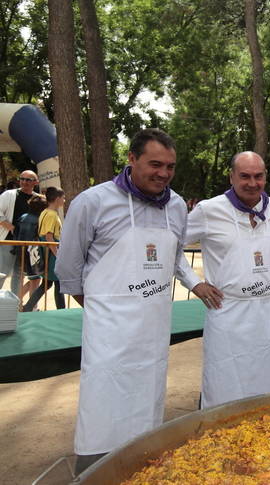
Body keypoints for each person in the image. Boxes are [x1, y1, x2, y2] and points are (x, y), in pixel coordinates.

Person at [55, 128, 219, 472]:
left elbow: (173, 261)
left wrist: (194, 284)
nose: (163, 173)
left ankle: (144, 467)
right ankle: (94, 470)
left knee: (147, 402)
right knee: (103, 403)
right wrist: (108, 309)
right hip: (108, 333)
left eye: (170, 167)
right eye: (155, 164)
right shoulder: (92, 202)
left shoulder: (176, 206)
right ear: (131, 159)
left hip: (153, 331)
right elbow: (69, 270)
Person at [185, 151, 270, 409]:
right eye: (245, 176)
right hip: (226, 311)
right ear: (231, 177)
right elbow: (171, 246)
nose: (252, 183)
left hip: (265, 311)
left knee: (266, 377)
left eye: (258, 176)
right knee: (224, 379)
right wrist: (194, 283)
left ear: (265, 177)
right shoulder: (208, 210)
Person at [23, 187, 66, 311]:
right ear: (57, 199)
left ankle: (28, 307)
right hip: (51, 252)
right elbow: (49, 237)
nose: (64, 200)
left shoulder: (45, 212)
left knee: (48, 284)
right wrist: (57, 255)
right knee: (57, 283)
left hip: (47, 251)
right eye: (63, 198)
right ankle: (61, 310)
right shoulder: (52, 215)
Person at [0, 170, 39, 294]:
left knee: (19, 274)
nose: (24, 182)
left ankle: (16, 304)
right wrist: (10, 227)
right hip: (8, 240)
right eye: (22, 178)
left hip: (26, 244)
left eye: (28, 180)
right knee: (2, 272)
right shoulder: (9, 195)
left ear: (35, 182)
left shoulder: (37, 198)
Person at [15, 193, 47, 303]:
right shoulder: (38, 220)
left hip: (21, 252)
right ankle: (32, 306)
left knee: (33, 279)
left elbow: (16, 233)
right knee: (35, 279)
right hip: (33, 254)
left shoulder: (23, 217)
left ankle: (17, 300)